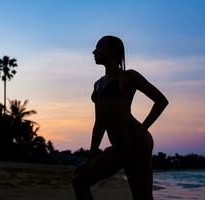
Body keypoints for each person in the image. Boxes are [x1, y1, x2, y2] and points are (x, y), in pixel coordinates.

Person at [72, 35, 169, 200]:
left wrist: (142, 129)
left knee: (142, 196)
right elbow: (99, 123)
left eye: (100, 47)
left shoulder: (128, 76)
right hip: (118, 145)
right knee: (80, 181)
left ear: (113, 51)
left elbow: (161, 101)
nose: (94, 51)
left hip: (135, 140)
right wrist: (91, 157)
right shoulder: (98, 84)